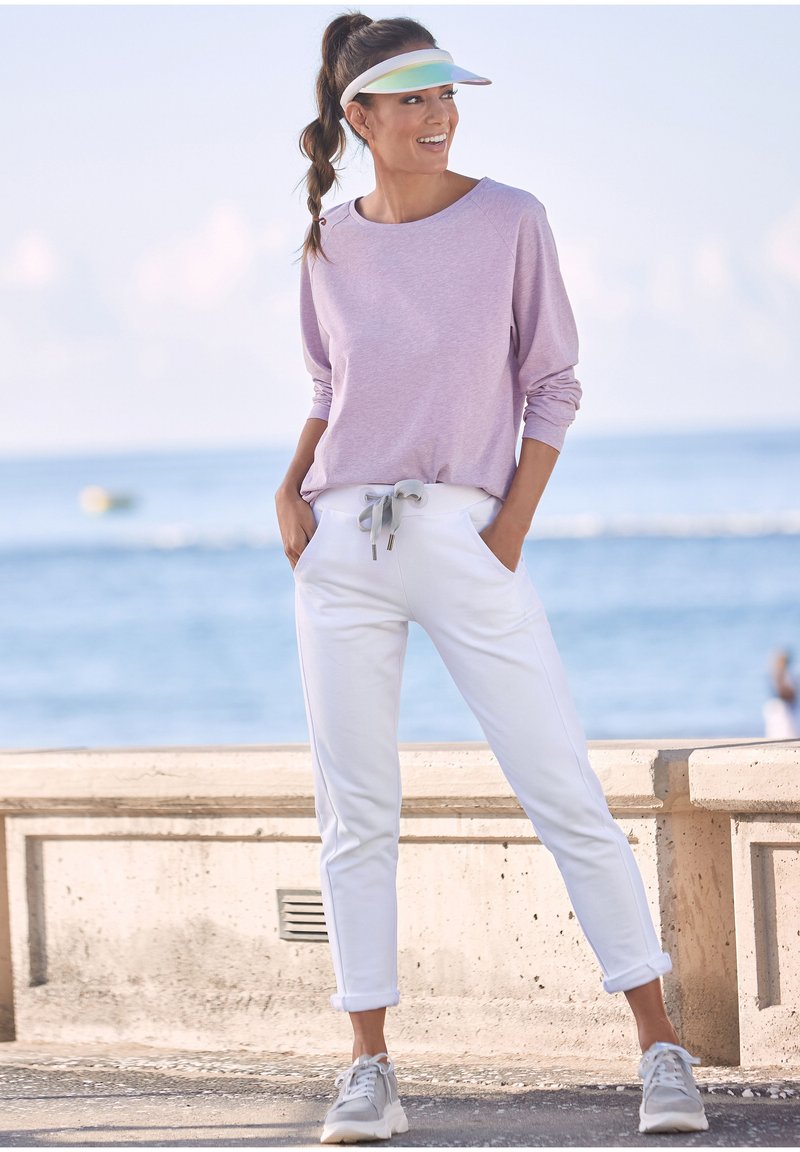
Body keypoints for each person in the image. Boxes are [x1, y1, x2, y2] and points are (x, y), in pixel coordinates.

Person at [275, 12, 708, 1143]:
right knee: (353, 813)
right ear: (358, 116)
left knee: (560, 786)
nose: (438, 115)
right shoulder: (326, 242)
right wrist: (289, 492)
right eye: (410, 100)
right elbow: (328, 388)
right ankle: (367, 1066)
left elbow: (552, 384)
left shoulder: (511, 220)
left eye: (446, 95)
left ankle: (660, 1051)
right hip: (339, 550)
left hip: (463, 534)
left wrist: (505, 530)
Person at [763, 649, 798, 739]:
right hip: (783, 706)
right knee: (784, 732)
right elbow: (781, 692)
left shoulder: (784, 674)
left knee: (786, 732)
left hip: (785, 705)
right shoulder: (779, 674)